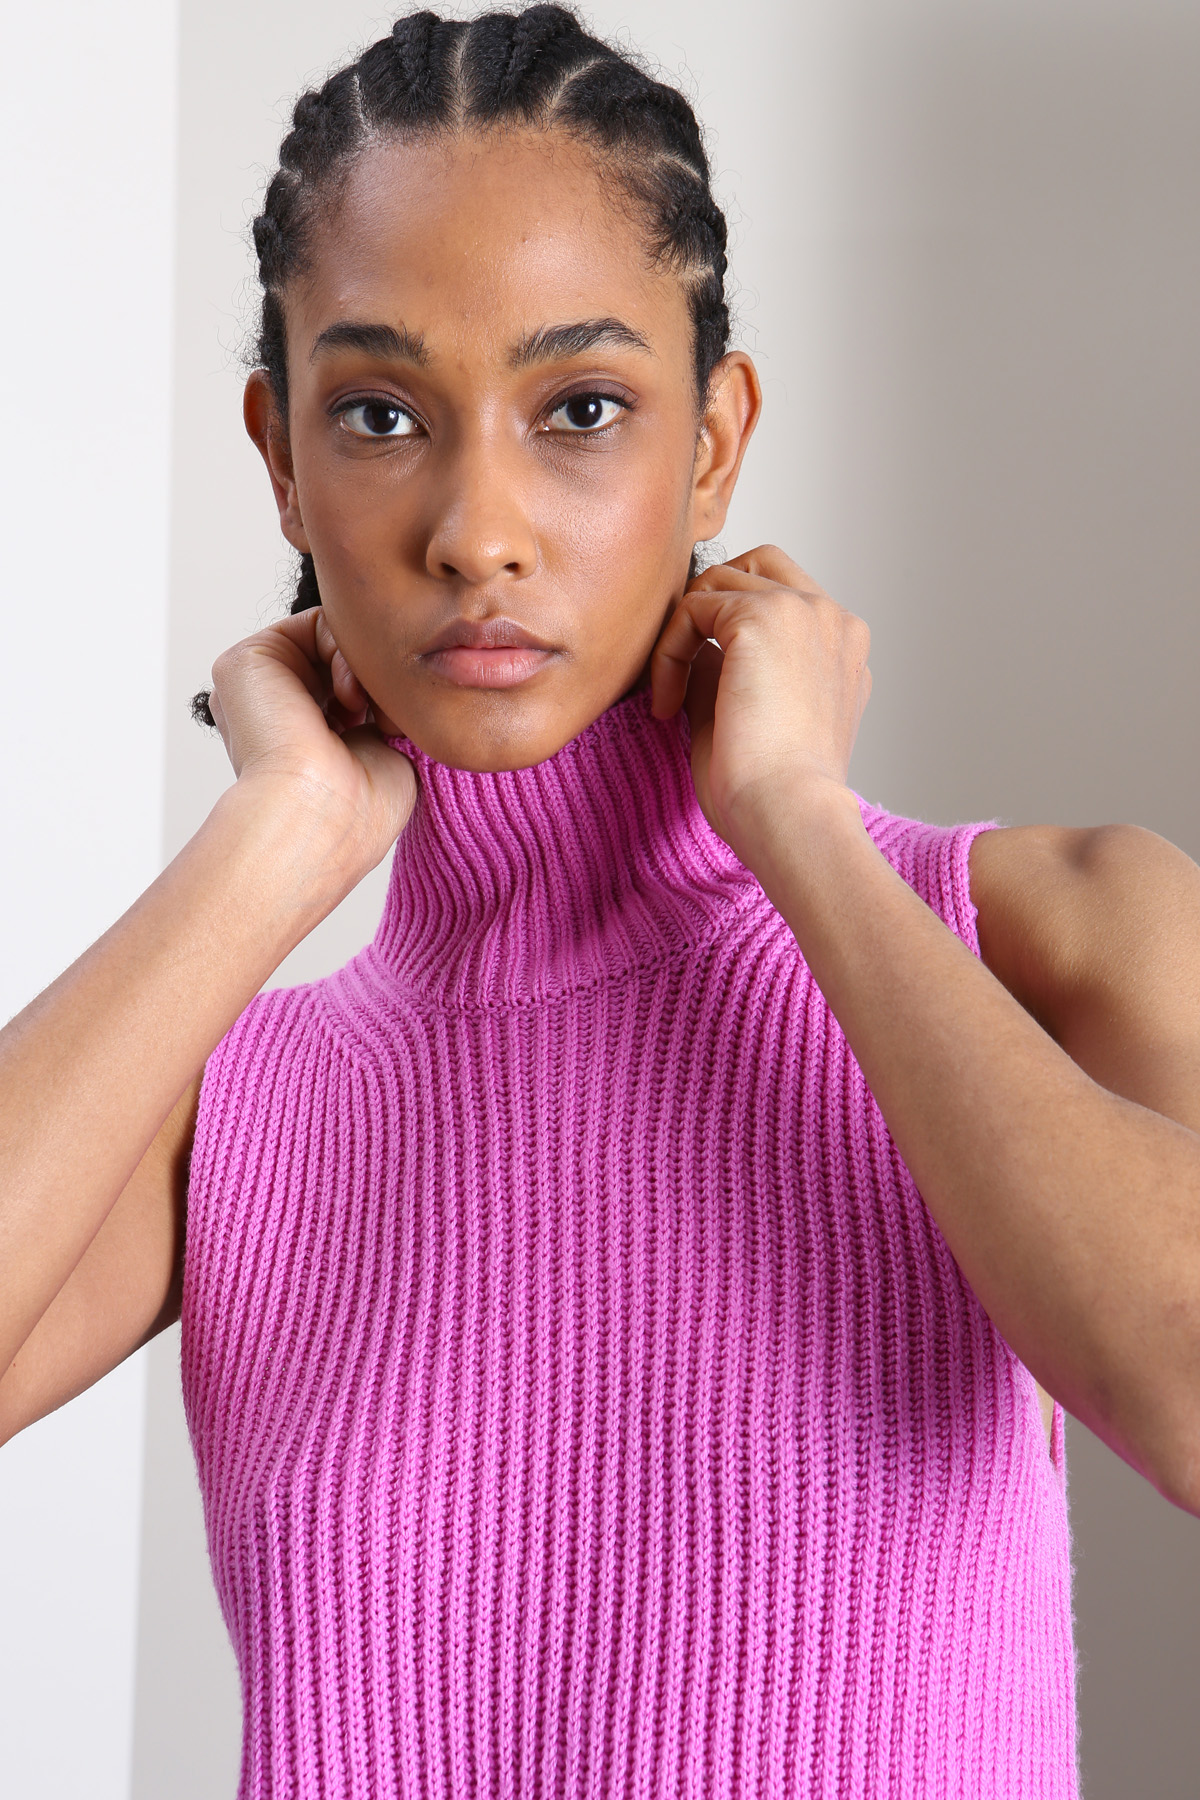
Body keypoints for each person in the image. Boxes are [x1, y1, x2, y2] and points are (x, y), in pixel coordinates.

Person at [2, 5, 1198, 1794]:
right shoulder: (234, 1103)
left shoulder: (1045, 932)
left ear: (712, 443)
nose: (477, 530)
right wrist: (269, 842)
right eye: (381, 415)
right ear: (280, 458)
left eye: (580, 410)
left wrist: (796, 825)